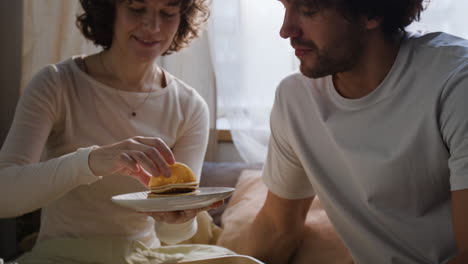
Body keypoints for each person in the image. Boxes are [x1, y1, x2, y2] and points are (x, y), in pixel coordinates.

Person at [0, 0, 233, 262]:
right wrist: (90, 162)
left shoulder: (190, 106)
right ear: (109, 10)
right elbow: (4, 196)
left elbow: (173, 236)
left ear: (182, 19)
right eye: (136, 8)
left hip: (144, 256)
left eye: (167, 13)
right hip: (63, 254)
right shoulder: (56, 84)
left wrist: (180, 217)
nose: (152, 26)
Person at [237, 0, 468, 263]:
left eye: (308, 10)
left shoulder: (456, 82)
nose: (286, 30)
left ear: (371, 12)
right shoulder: (296, 98)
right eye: (284, 8)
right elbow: (279, 229)